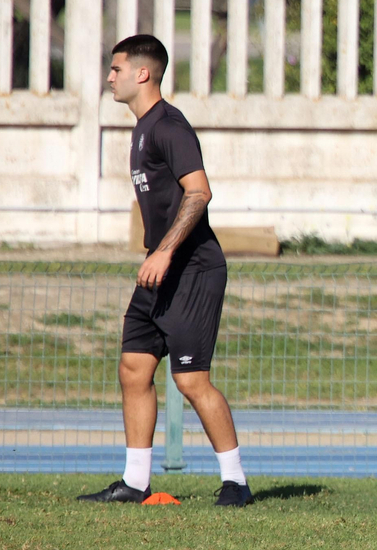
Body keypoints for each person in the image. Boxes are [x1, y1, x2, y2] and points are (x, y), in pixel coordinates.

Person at [78, 35, 252, 507]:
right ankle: (135, 483)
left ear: (142, 74)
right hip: (160, 268)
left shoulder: (169, 127)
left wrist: (164, 252)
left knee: (191, 380)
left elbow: (200, 193)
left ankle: (236, 483)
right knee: (134, 367)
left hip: (192, 270)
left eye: (116, 69)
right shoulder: (140, 129)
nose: (109, 77)